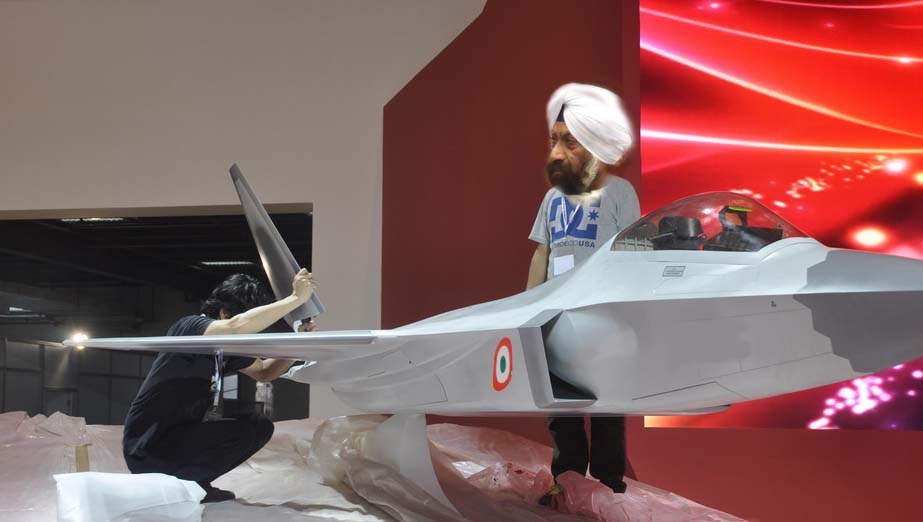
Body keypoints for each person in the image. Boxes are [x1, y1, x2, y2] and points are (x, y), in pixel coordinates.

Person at [527, 83, 640, 504]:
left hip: (602, 315)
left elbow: (632, 250)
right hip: (558, 316)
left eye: (571, 140)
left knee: (607, 406)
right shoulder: (551, 197)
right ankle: (568, 481)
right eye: (555, 140)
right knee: (563, 409)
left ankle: (609, 487)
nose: (559, 150)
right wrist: (527, 307)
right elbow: (543, 251)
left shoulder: (620, 192)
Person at [122, 269, 316, 503]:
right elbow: (235, 327)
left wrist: (298, 341)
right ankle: (184, 484)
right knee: (247, 429)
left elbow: (265, 371)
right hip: (147, 448)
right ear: (224, 312)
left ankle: (195, 484)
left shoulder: (224, 350)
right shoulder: (189, 327)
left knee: (258, 427)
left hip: (178, 439)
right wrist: (295, 299)